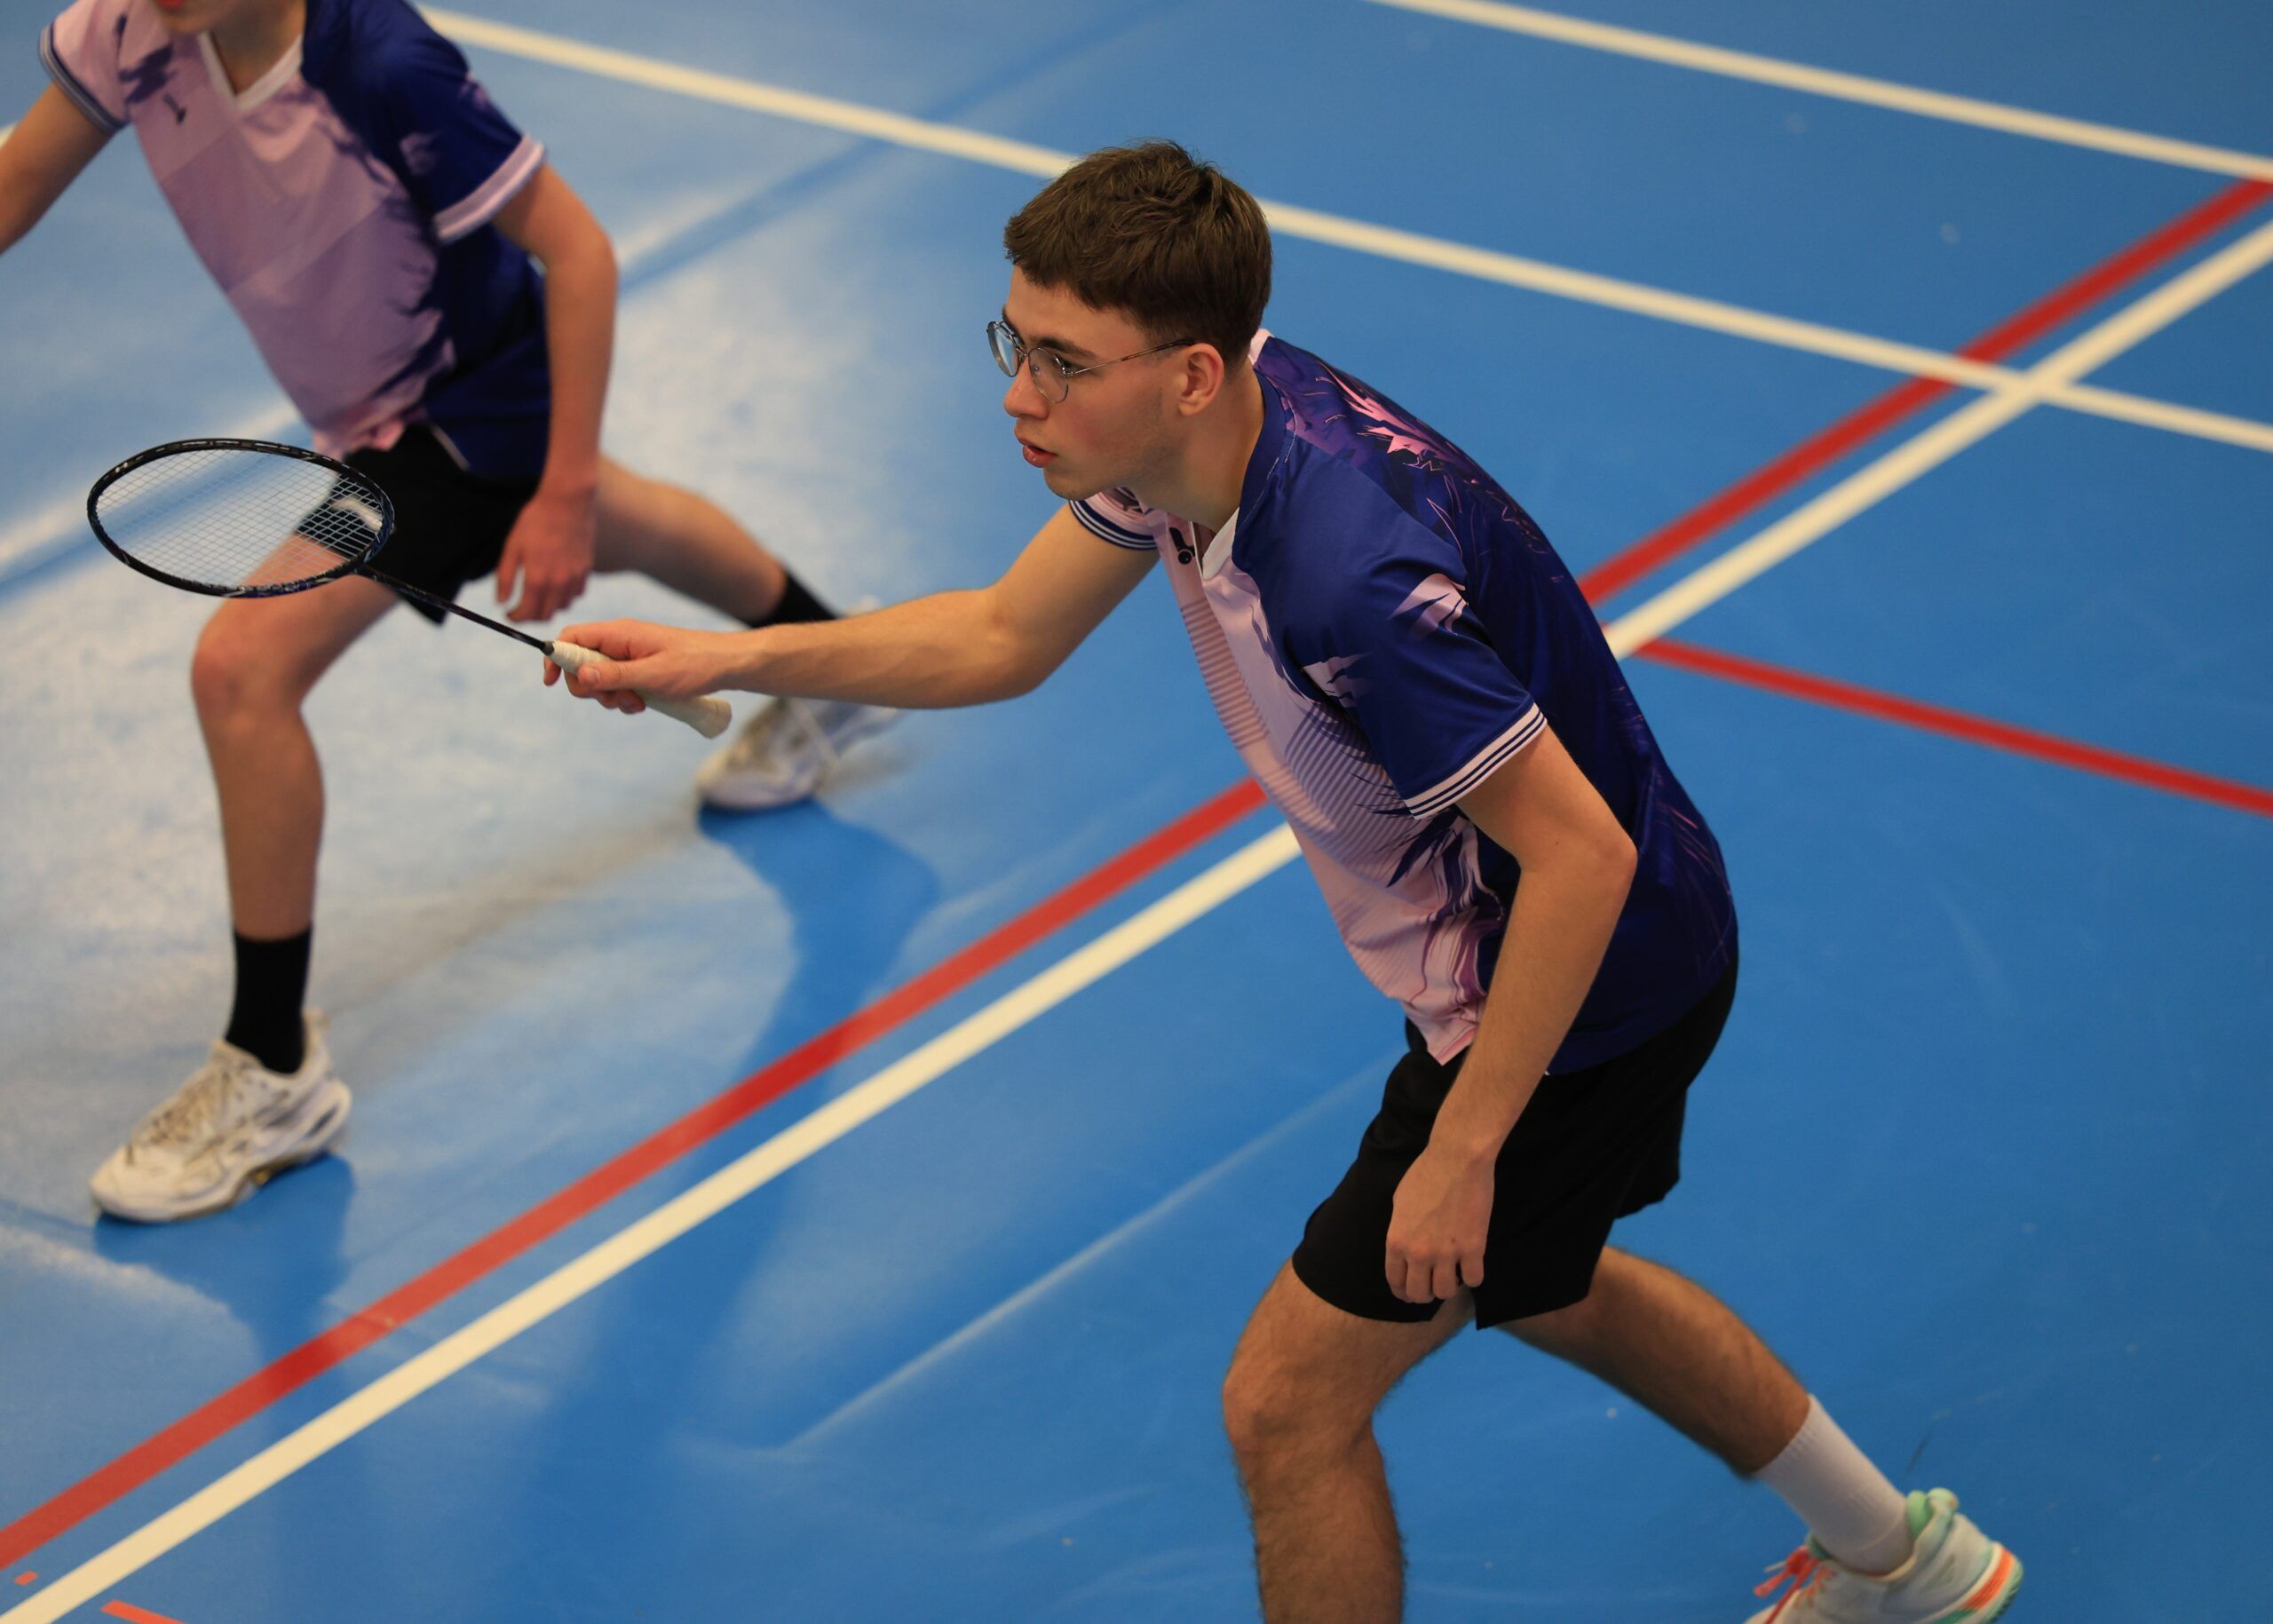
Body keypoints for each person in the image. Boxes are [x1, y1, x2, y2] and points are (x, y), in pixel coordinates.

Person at [543, 141, 2023, 1623]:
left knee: (1289, 1407)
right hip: (1606, 951)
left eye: (1062, 363)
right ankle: (1904, 1557)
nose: (1018, 396)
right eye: (1016, 343)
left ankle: (1900, 1560)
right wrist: (719, 654)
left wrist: (1467, 1142)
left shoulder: (1347, 581)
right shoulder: (1200, 440)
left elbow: (1580, 857)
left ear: (1192, 371)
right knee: (1546, 1278)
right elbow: (1002, 635)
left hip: (1576, 989)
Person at [0, 0, 898, 1223]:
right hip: (385, 413)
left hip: (460, 417)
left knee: (242, 670)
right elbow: (12, 189)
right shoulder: (134, 31)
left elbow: (580, 252)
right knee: (634, 519)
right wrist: (576, 499)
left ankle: (272, 1067)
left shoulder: (381, 62)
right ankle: (833, 667)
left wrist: (559, 491)